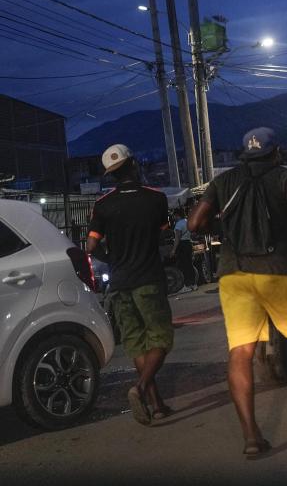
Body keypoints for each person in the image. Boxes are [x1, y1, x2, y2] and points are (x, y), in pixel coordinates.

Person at [188, 127, 287, 457]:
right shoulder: (283, 177)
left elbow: (195, 223)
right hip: (278, 272)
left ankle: (252, 437)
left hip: (234, 274)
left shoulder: (224, 181)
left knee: (240, 351)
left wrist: (222, 225)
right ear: (276, 152)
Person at [85, 144, 174, 425]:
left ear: (110, 174)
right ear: (134, 164)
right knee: (161, 338)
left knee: (137, 344)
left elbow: (91, 245)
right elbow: (163, 237)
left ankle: (157, 405)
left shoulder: (103, 205)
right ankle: (140, 389)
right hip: (149, 278)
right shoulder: (155, 199)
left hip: (120, 283)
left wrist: (112, 260)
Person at [171, 208, 198, 290]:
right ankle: (193, 284)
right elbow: (193, 233)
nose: (173, 217)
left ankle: (187, 285)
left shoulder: (178, 224)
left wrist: (173, 250)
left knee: (184, 265)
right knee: (189, 264)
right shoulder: (187, 221)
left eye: (174, 216)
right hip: (188, 243)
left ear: (177, 215)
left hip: (182, 245)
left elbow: (177, 238)